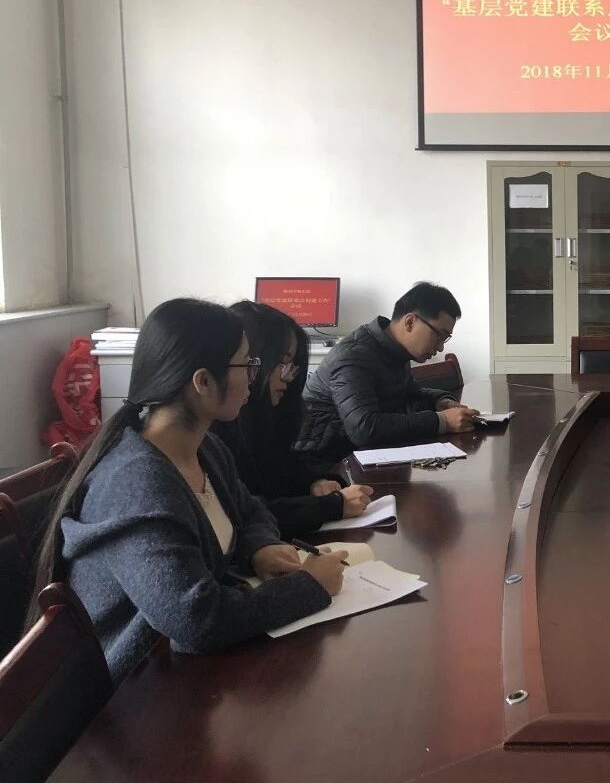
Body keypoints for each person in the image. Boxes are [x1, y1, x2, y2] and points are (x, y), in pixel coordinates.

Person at [28, 298, 344, 683]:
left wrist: (259, 547)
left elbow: (251, 509)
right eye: (247, 364)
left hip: (186, 669)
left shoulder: (206, 448)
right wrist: (309, 585)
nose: (254, 376)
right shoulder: (137, 484)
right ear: (203, 382)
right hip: (133, 692)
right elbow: (197, 620)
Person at [211, 301, 372, 538]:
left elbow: (283, 466)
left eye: (293, 365)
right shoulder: (216, 431)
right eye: (282, 362)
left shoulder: (264, 417)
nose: (289, 377)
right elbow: (244, 515)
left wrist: (315, 481)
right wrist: (331, 506)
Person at [295, 282, 479, 462]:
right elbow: (364, 428)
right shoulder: (354, 356)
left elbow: (409, 392)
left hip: (364, 454)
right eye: (439, 335)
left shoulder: (394, 349)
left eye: (445, 338)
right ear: (410, 322)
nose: (440, 347)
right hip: (322, 460)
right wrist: (442, 422)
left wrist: (440, 401)